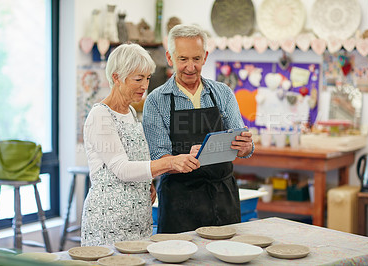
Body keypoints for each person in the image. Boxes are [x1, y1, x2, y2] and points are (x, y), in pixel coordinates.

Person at [81, 43, 200, 246]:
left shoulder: (130, 113)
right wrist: (170, 163)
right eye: (138, 79)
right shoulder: (100, 116)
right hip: (108, 223)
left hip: (138, 220)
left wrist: (148, 183)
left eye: (147, 78)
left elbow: (136, 159)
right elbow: (122, 168)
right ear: (117, 77)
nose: (145, 86)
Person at [142, 24, 254, 233]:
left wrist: (246, 147)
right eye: (183, 59)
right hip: (179, 201)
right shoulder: (156, 101)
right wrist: (180, 159)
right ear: (170, 58)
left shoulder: (223, 93)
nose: (190, 67)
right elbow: (158, 156)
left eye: (196, 59)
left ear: (205, 57)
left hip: (223, 196)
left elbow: (243, 144)